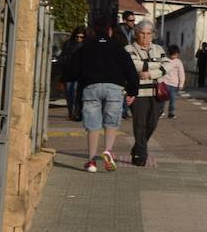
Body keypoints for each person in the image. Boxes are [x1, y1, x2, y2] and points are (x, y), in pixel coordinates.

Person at [77, 17, 138, 172]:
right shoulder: (119, 48)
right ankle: (108, 150)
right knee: (111, 122)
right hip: (114, 88)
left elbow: (74, 69)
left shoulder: (86, 47)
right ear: (110, 31)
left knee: (93, 125)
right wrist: (132, 91)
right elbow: (130, 70)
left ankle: (91, 161)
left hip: (91, 87)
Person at [125, 20, 167, 167]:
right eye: (142, 33)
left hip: (156, 91)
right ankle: (140, 155)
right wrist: (156, 65)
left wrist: (149, 73)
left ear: (152, 35)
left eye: (148, 34)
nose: (145, 36)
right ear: (137, 34)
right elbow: (134, 65)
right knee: (140, 124)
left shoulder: (158, 48)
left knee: (152, 123)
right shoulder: (129, 48)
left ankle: (137, 148)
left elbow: (166, 65)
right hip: (138, 92)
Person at [60, 27, 87, 120]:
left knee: (76, 93)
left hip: (80, 74)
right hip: (68, 73)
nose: (79, 39)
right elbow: (62, 58)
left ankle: (76, 112)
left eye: (81, 37)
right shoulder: (68, 45)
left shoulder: (86, 46)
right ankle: (71, 112)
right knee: (69, 94)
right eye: (77, 37)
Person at [160, 44, 186, 119]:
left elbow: (181, 73)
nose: (174, 56)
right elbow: (161, 71)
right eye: (173, 55)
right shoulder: (165, 60)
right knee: (162, 99)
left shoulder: (178, 62)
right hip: (164, 83)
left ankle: (171, 113)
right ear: (169, 53)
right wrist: (160, 81)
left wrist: (181, 84)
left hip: (174, 84)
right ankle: (161, 112)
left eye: (176, 54)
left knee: (173, 100)